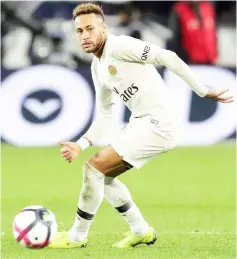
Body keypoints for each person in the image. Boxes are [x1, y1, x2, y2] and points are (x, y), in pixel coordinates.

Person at [49, 3, 233, 249]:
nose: (85, 36)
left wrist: (203, 90)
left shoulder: (121, 46)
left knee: (93, 170)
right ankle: (141, 230)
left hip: (159, 124)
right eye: (80, 31)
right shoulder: (97, 66)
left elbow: (168, 57)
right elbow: (104, 115)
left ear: (104, 28)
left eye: (90, 29)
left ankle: (76, 237)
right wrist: (80, 144)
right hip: (142, 123)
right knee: (102, 177)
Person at [167, 0, 218, 64]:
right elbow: (173, 40)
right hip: (189, 62)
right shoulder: (179, 10)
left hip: (209, 61)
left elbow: (213, 34)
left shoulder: (208, 7)